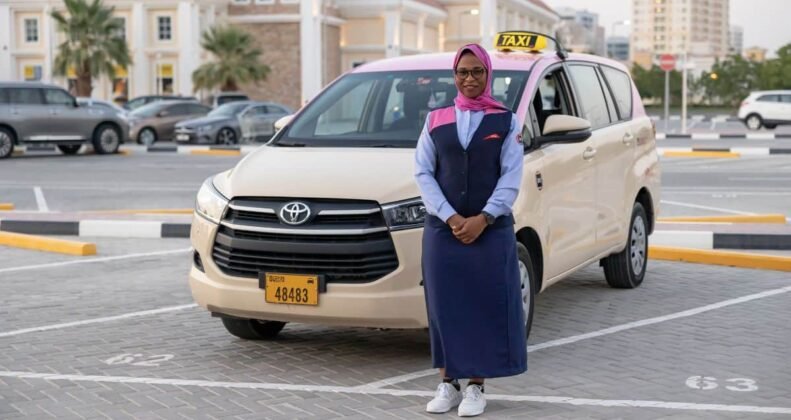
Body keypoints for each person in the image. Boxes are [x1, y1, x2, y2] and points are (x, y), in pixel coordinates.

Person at [414, 43, 526, 417]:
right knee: (444, 307)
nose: (470, 78)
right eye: (463, 72)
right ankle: (447, 384)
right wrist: (449, 217)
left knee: (481, 305)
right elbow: (423, 173)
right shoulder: (436, 120)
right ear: (454, 76)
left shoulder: (506, 121)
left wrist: (483, 218)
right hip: (443, 231)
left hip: (490, 231)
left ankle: (476, 387)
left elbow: (511, 178)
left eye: (477, 71)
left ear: (488, 74)